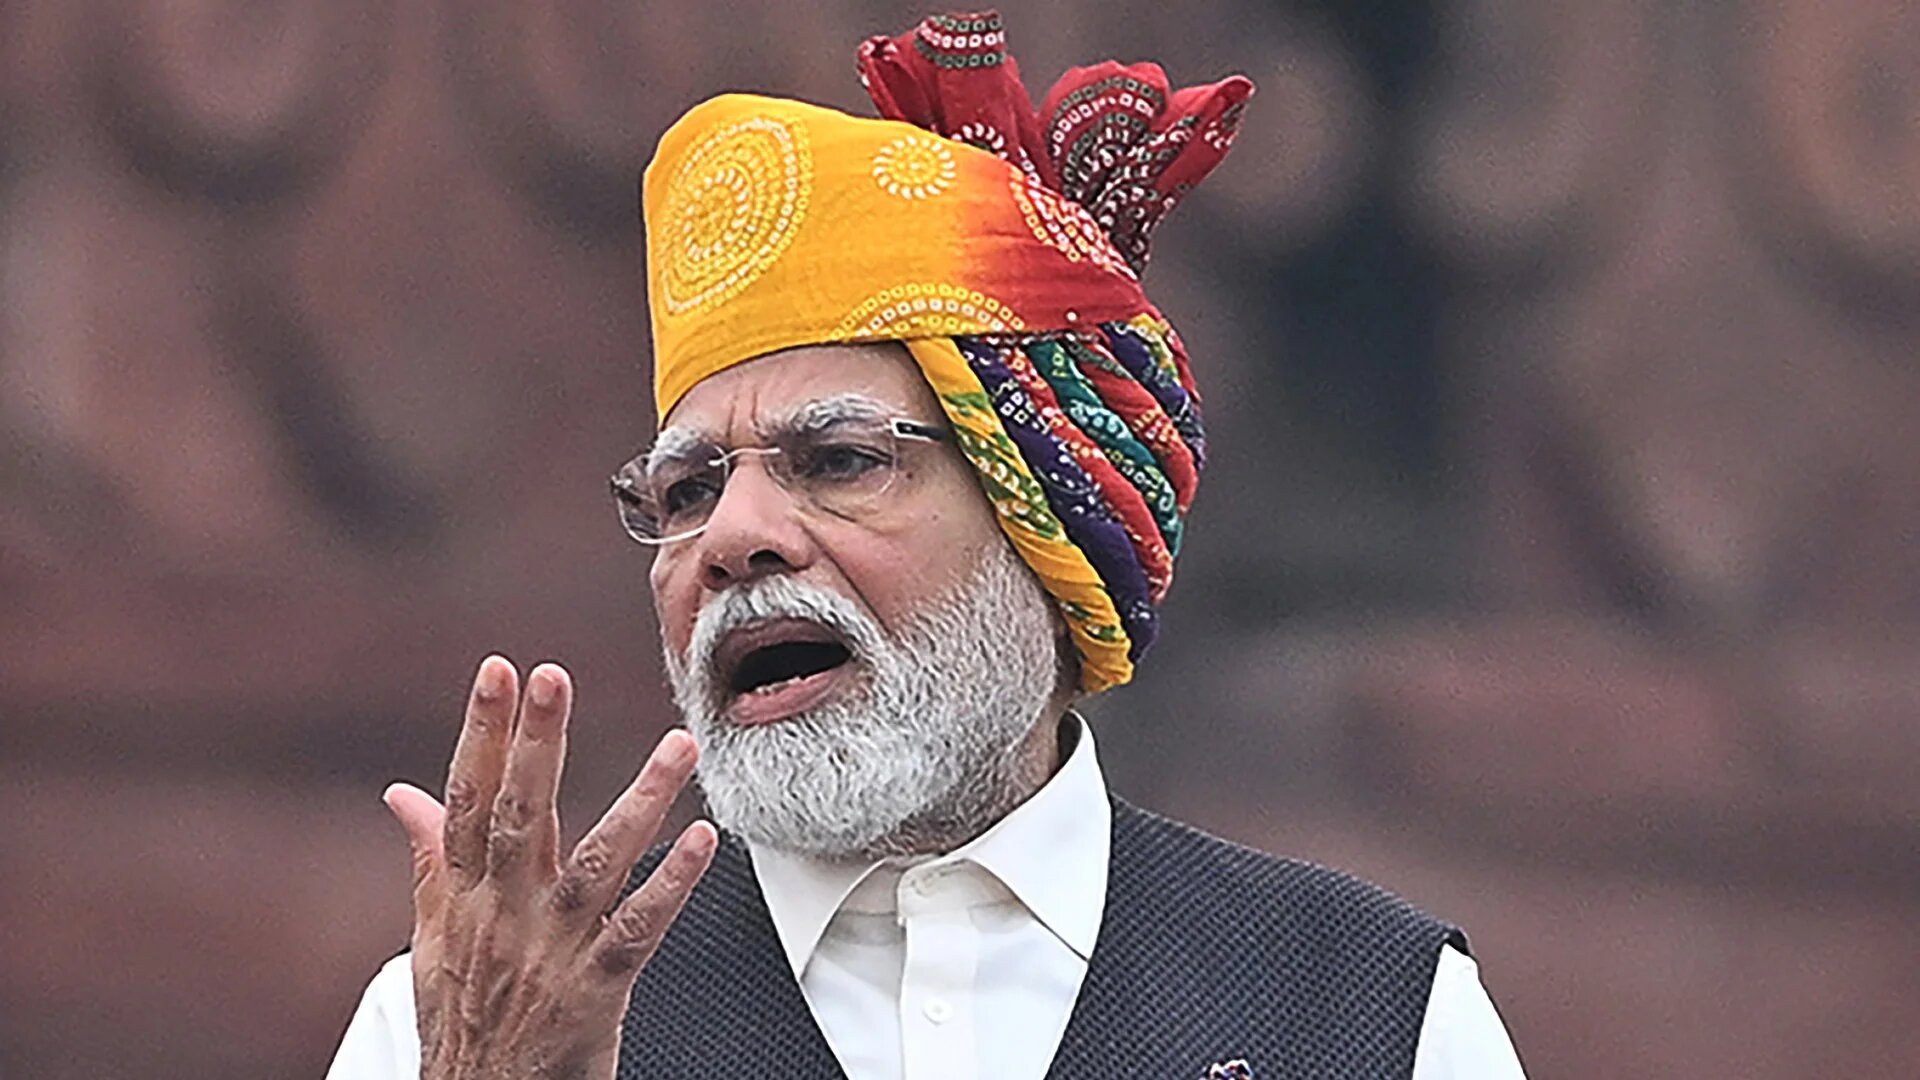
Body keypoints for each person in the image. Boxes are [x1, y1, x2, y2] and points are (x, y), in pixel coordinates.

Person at [327, 12, 1526, 1079]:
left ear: (1044, 531)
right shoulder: (455, 1028)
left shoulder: (1372, 1013)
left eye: (840, 461)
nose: (735, 537)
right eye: (687, 488)